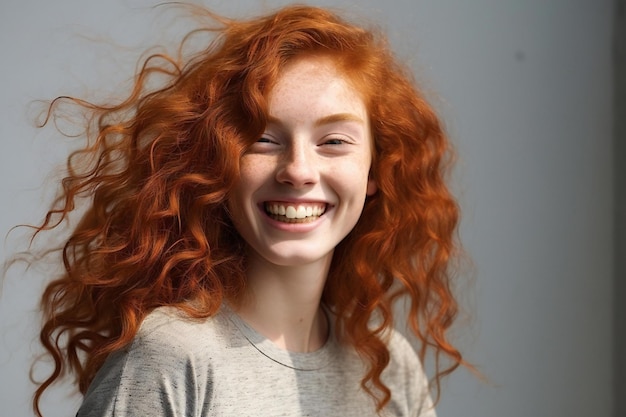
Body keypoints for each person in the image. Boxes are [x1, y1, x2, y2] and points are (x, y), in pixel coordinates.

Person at [25, 4, 466, 416]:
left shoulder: (389, 366)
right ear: (219, 165)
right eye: (263, 139)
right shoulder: (170, 356)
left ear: (376, 170)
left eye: (334, 142)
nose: (298, 170)